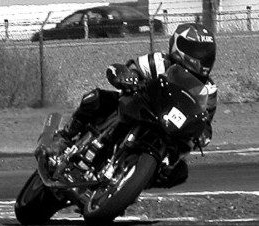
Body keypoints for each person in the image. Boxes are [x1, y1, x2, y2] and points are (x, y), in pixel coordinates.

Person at [40, 23, 217, 188]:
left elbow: (204, 122)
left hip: (168, 130)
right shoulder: (159, 62)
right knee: (96, 98)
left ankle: (129, 184)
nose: (201, 56)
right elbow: (132, 69)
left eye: (205, 52)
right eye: (196, 50)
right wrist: (128, 78)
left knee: (179, 171)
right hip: (139, 108)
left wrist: (200, 135)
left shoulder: (208, 89)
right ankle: (64, 137)